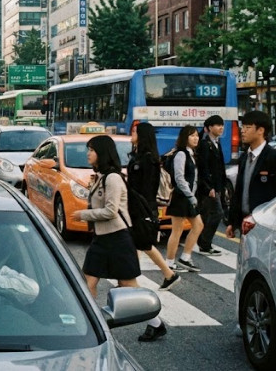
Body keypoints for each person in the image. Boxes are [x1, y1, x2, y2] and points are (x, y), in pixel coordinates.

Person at [70, 135, 166, 341]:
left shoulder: (113, 178)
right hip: (102, 239)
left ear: (102, 153)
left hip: (117, 239)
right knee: (88, 281)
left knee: (128, 287)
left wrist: (83, 215)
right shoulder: (103, 177)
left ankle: (156, 322)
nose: (88, 153)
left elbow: (111, 211)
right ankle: (87, 323)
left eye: (91, 150)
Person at [128, 123, 180, 291]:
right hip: (138, 206)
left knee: (143, 244)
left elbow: (146, 187)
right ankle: (131, 280)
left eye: (136, 132)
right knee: (139, 244)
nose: (132, 134)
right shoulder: (139, 156)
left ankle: (168, 274)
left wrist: (139, 206)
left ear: (143, 136)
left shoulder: (148, 159)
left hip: (142, 207)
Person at [226, 110, 276, 239]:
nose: (243, 130)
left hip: (266, 225)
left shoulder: (272, 157)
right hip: (245, 223)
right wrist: (233, 222)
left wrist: (259, 217)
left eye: (248, 127)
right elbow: (239, 191)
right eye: (242, 127)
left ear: (261, 130)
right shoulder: (244, 157)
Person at [165, 125, 204, 273]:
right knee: (177, 230)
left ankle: (185, 258)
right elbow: (179, 178)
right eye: (192, 135)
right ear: (184, 138)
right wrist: (190, 195)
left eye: (197, 136)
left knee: (198, 225)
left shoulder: (191, 153)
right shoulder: (181, 154)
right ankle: (170, 262)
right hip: (182, 197)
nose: (196, 138)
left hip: (188, 197)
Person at [196, 115, 226, 256]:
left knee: (206, 214)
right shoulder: (204, 144)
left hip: (216, 185)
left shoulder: (216, 142)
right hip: (208, 187)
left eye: (222, 125)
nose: (221, 128)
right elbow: (204, 168)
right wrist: (209, 188)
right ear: (208, 128)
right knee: (217, 213)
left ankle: (202, 242)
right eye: (217, 125)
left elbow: (219, 166)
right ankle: (204, 243)